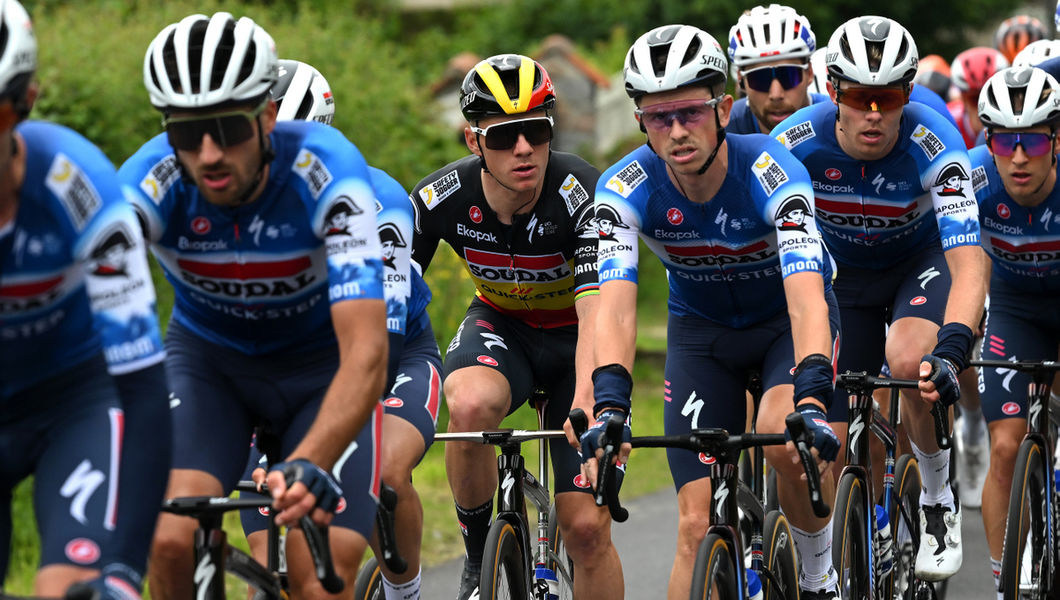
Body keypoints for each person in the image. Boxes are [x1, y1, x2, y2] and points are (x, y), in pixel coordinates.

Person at [119, 13, 388, 598]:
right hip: (212, 370)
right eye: (188, 134)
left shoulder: (326, 170)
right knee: (169, 538)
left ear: (268, 116)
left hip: (323, 371)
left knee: (322, 573)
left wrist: (312, 459)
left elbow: (367, 350)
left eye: (228, 129)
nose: (209, 154)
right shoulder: (148, 181)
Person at [592, 23, 842, 599]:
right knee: (694, 525)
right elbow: (616, 311)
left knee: (784, 440)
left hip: (785, 324)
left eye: (691, 113)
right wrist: (611, 402)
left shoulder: (773, 169)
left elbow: (806, 297)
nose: (677, 131)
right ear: (641, 124)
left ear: (724, 108)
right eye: (660, 117)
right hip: (701, 337)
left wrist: (810, 396)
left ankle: (818, 573)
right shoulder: (623, 188)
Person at [773, 15, 988, 581]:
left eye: (888, 97)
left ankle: (939, 496)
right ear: (832, 91)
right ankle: (872, 528)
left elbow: (969, 261)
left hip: (917, 268)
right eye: (860, 97)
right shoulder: (792, 142)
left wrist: (955, 346)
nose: (874, 114)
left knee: (911, 360)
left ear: (908, 94)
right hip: (843, 282)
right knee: (842, 443)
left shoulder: (936, 140)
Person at [408, 54, 620, 600]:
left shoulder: (584, 191)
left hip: (579, 334)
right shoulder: (438, 198)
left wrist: (592, 399)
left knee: (586, 530)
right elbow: (393, 301)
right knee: (472, 405)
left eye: (536, 130)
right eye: (504, 137)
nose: (524, 148)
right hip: (503, 325)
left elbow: (597, 309)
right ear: (473, 140)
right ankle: (479, 552)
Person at [238, 59, 442, 600]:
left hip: (390, 352)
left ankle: (405, 591)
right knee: (269, 557)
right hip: (293, 363)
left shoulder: (380, 202)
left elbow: (385, 342)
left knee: (387, 475)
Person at [0, 0, 169, 597]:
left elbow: (144, 387)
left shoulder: (82, 188)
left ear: (24, 105)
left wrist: (123, 570)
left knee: (69, 587)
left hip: (72, 400)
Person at [968, 65, 1060, 600]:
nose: (1018, 157)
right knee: (1006, 446)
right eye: (1005, 140)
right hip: (1014, 308)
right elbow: (959, 262)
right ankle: (1007, 583)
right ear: (990, 140)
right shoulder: (975, 179)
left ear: (1054, 140)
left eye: (1031, 141)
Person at [726, 4, 818, 135]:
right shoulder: (723, 131)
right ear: (741, 80)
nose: (776, 95)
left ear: (809, 73)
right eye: (760, 79)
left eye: (788, 76)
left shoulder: (837, 117)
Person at [949, 47, 1010, 148]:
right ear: (963, 99)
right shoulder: (948, 122)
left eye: (992, 96)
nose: (983, 105)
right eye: (975, 98)